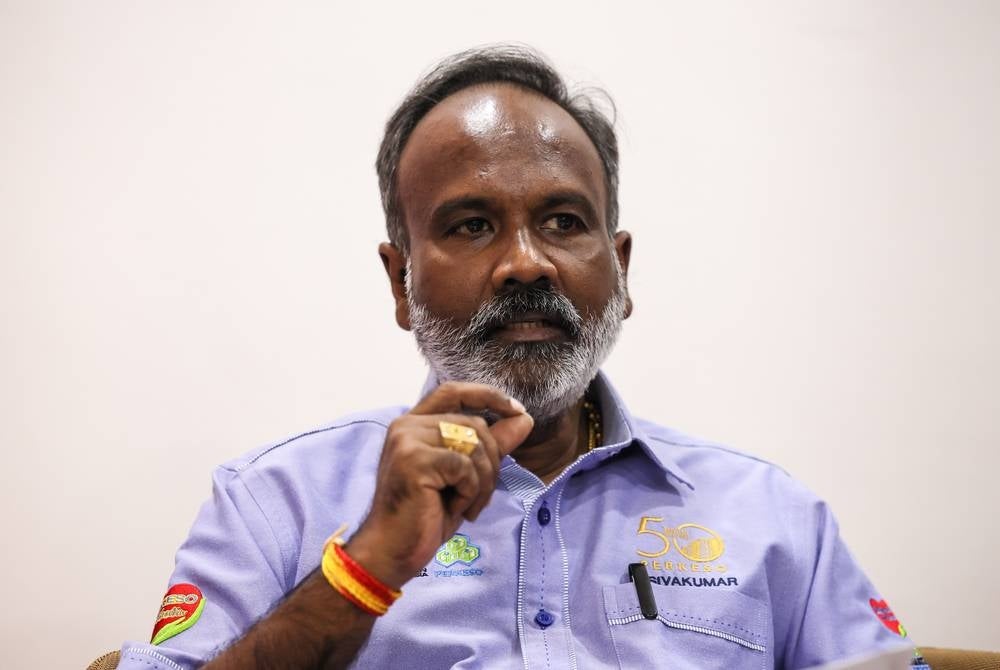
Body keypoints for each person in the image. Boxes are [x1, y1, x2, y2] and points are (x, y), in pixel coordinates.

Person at [115, 45, 922, 669]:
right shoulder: (273, 504)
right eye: (471, 225)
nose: (526, 264)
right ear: (401, 282)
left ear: (621, 270)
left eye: (564, 221)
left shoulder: (773, 516)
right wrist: (364, 570)